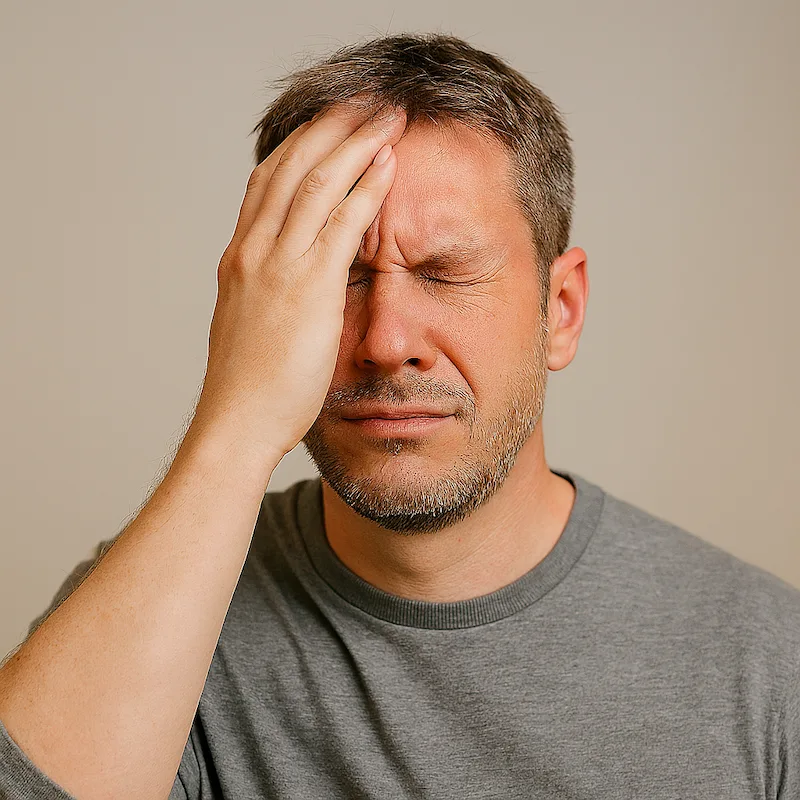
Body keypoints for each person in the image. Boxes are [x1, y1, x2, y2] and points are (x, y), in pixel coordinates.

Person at [0, 32, 797, 800]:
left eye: (445, 274)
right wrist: (237, 421)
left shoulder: (769, 664)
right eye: (341, 277)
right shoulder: (161, 609)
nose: (386, 342)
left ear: (562, 309)